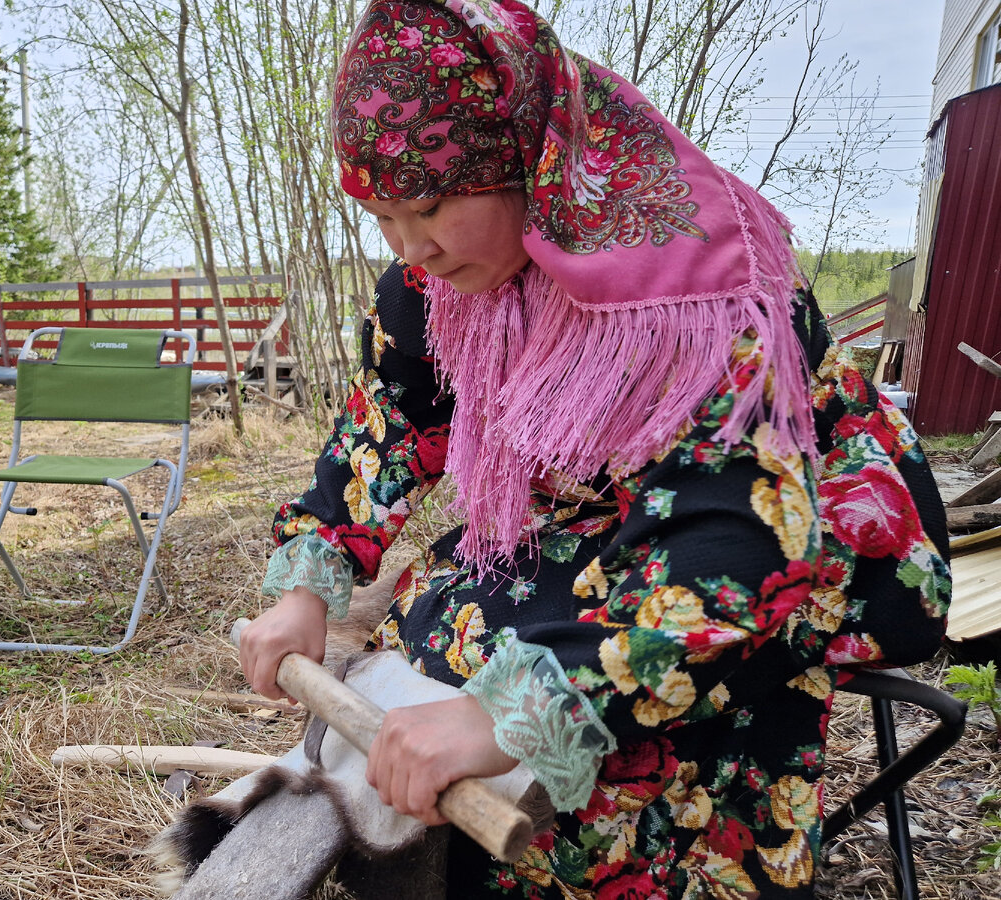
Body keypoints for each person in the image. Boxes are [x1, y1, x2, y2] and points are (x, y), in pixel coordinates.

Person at [238, 1, 952, 896]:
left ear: (525, 162)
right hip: (616, 504)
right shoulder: (439, 281)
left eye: (425, 207)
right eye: (381, 217)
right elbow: (392, 419)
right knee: (442, 623)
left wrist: (517, 716)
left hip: (794, 528)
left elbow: (739, 551)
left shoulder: (693, 288)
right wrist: (309, 582)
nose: (410, 247)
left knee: (633, 743)